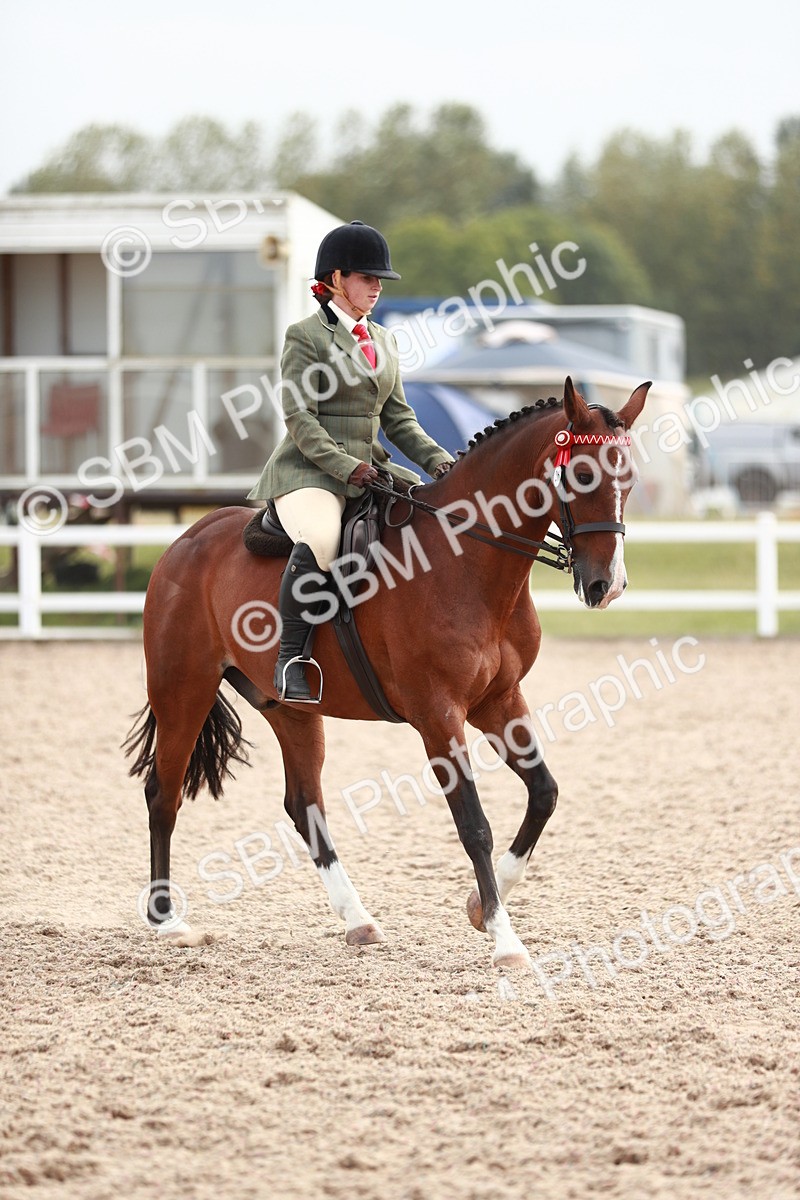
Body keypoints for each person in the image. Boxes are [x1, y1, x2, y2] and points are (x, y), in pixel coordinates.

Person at [248, 220, 455, 703]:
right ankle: (290, 660)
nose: (377, 287)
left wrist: (441, 462)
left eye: (381, 279)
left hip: (371, 471)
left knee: (425, 522)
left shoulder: (383, 339)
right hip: (309, 471)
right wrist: (346, 467)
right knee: (322, 537)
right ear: (337, 279)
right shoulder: (306, 336)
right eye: (367, 277)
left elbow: (399, 418)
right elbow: (299, 416)